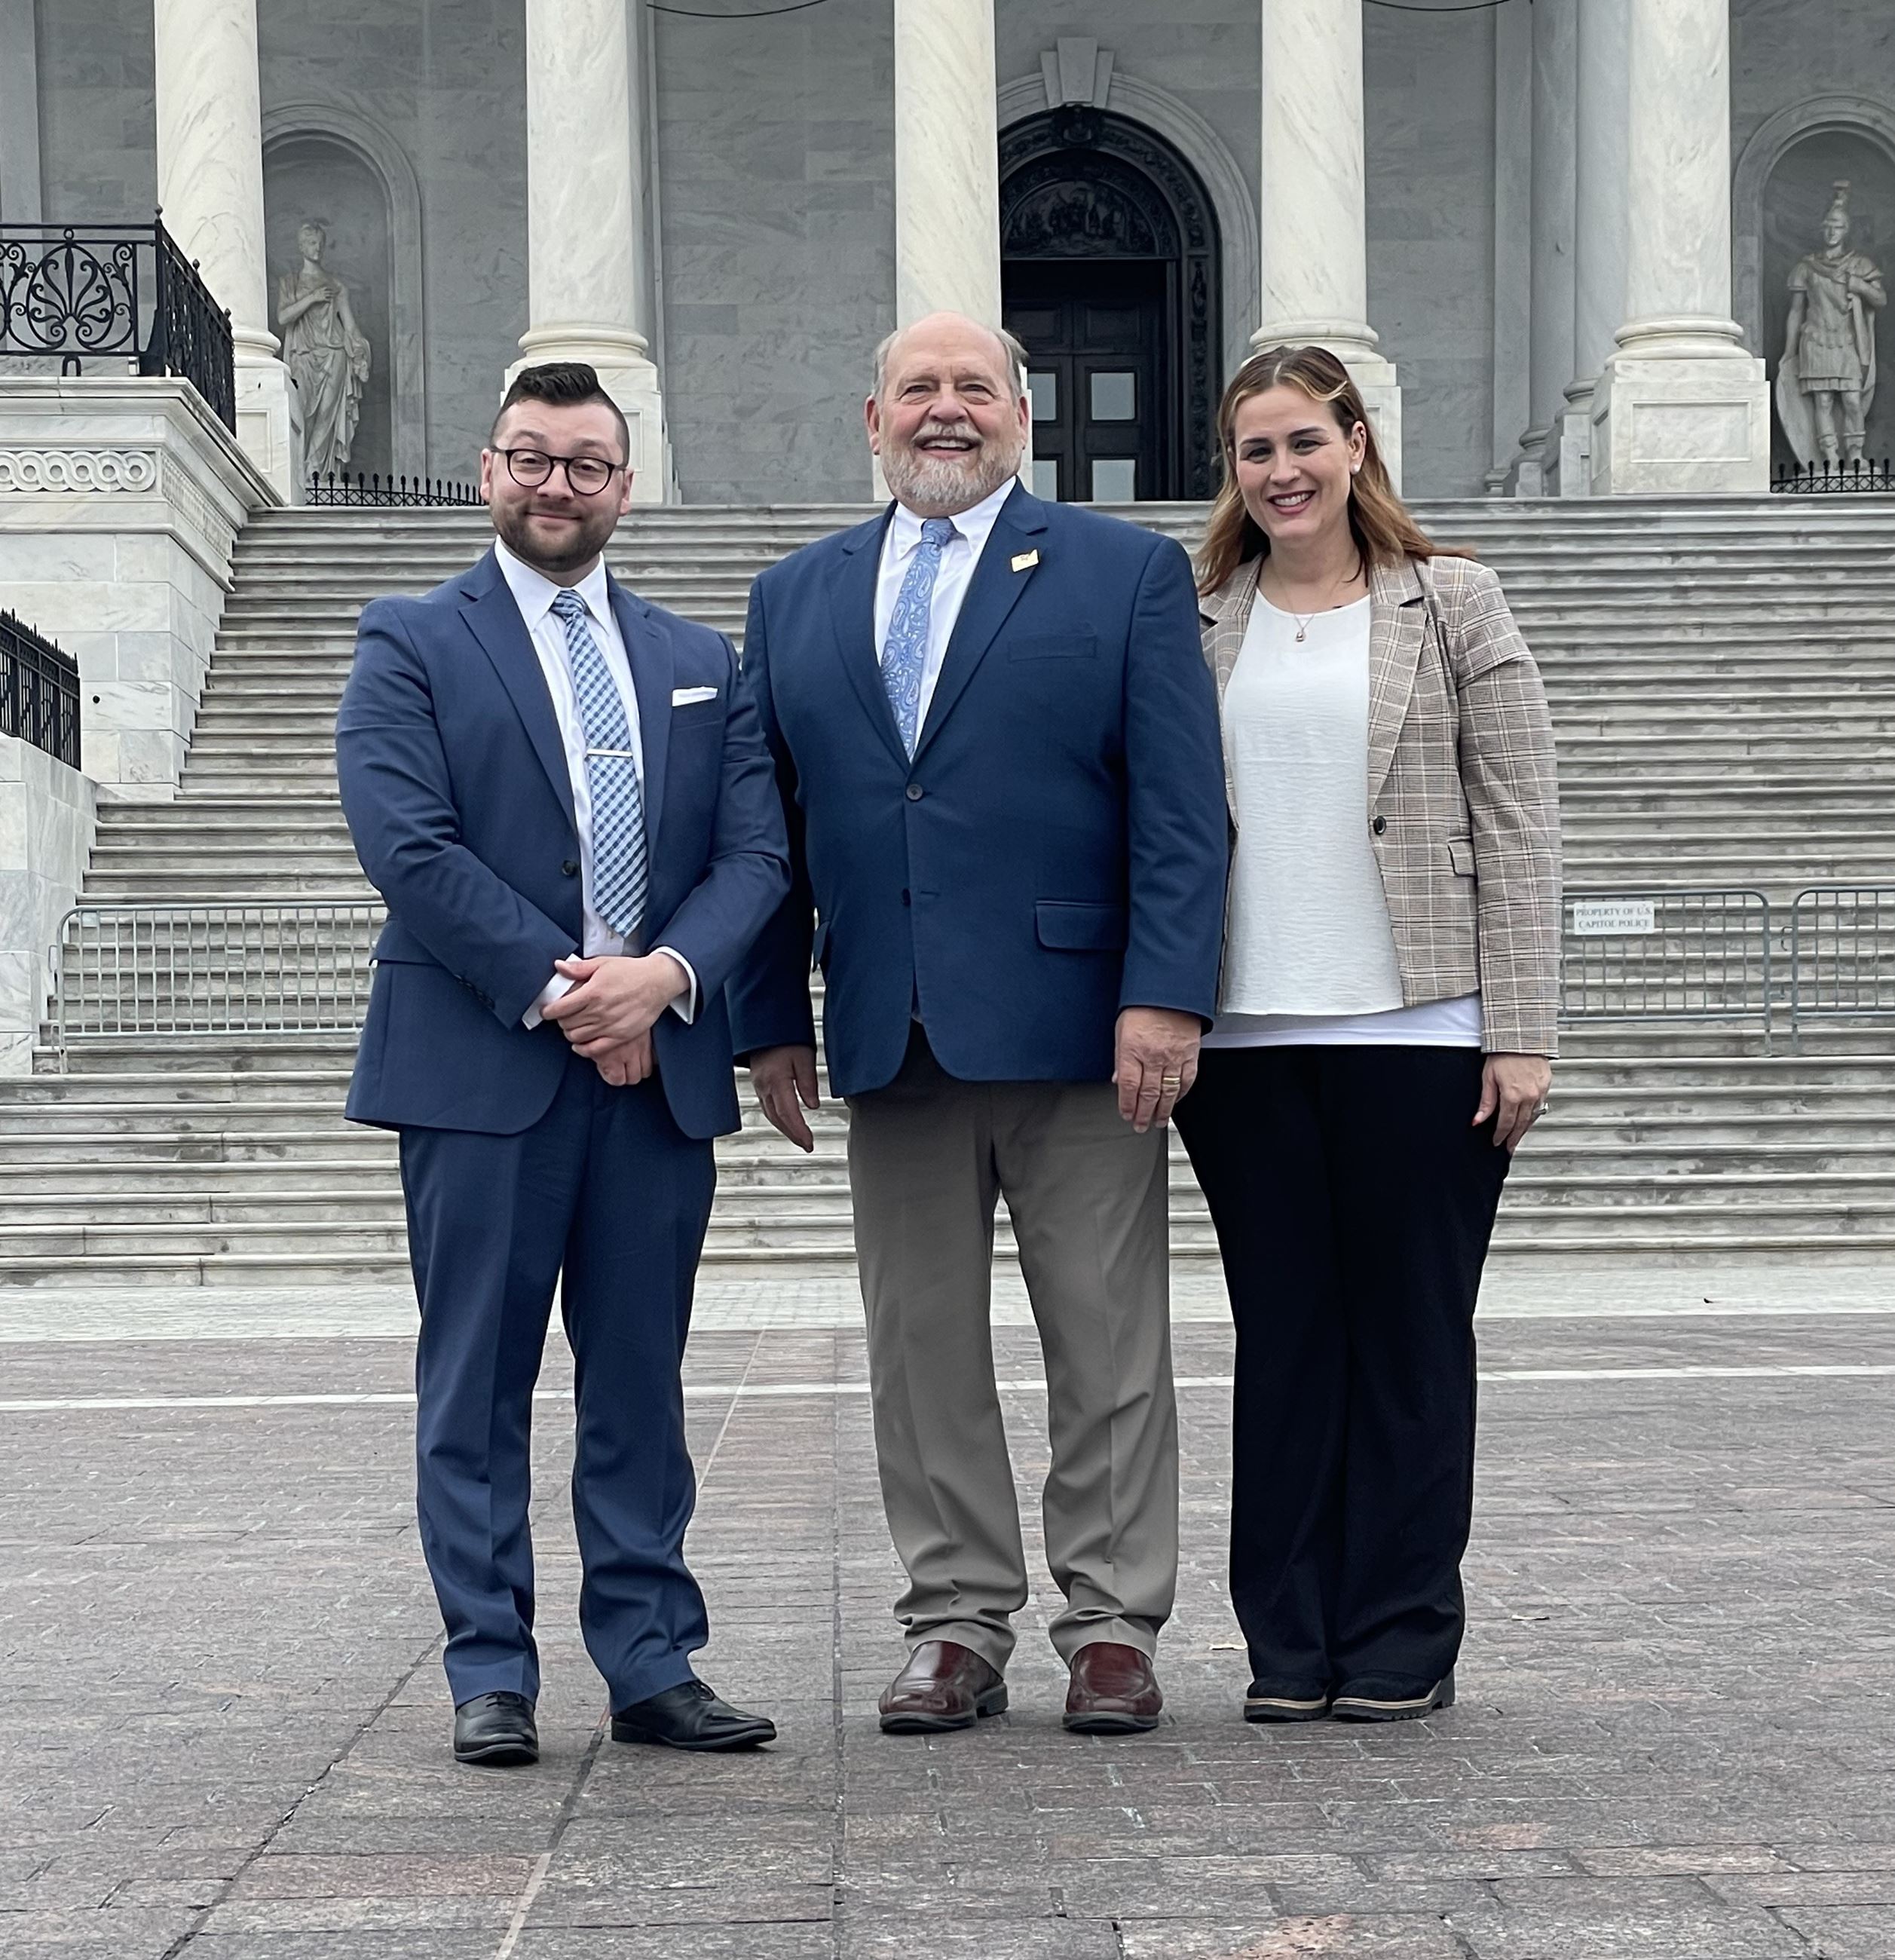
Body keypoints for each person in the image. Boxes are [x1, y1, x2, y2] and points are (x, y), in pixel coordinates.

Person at [729, 312, 1228, 1737]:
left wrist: (1164, 994)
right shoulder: (795, 596)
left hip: (1081, 1029)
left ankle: (1113, 1624)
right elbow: (766, 829)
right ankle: (953, 1621)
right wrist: (768, 1019)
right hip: (890, 1033)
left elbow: (1180, 812)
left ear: (1021, 412)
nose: (944, 412)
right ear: (868, 417)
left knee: (1106, 1339)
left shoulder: (1121, 574)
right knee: (919, 1346)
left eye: (972, 389)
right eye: (916, 390)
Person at [336, 361, 789, 1767]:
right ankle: (490, 1668)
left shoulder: (700, 658)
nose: (556, 485)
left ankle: (651, 1662)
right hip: (484, 1071)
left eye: (585, 464)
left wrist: (660, 980)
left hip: (657, 1074)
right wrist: (562, 991)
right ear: (487, 472)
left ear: (624, 486)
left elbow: (757, 854)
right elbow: (407, 846)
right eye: (531, 458)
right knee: (474, 1380)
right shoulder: (409, 637)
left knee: (641, 1381)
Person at [1177, 344, 1560, 1726]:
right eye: (1252, 451)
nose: (1280, 472)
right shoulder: (1196, 609)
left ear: (1354, 442)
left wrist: (1516, 1031)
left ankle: (1399, 1633)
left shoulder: (1449, 599)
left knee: (1406, 1341)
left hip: (1422, 1033)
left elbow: (1516, 820)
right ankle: (1286, 1640)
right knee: (1283, 1341)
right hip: (1245, 1045)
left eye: (1301, 442)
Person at [277, 220, 372, 479]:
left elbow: (350, 325)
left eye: (320, 243)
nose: (316, 248)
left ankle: (317, 473)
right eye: (311, 243)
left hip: (334, 352)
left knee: (327, 415)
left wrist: (360, 349)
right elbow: (284, 317)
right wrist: (312, 299)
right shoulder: (290, 282)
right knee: (303, 411)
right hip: (303, 354)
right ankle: (298, 473)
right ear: (301, 247)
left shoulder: (337, 285)